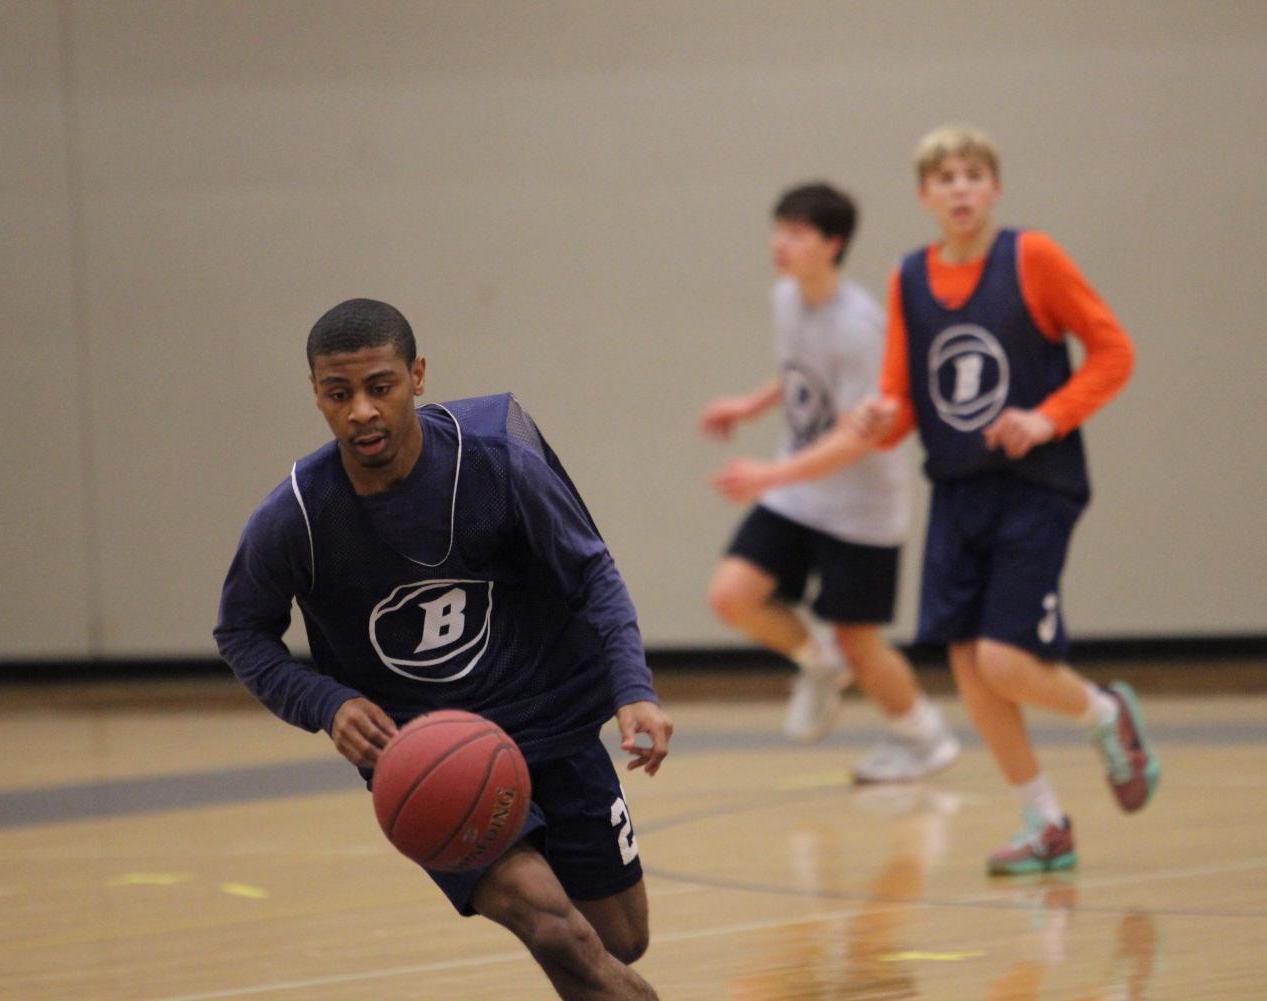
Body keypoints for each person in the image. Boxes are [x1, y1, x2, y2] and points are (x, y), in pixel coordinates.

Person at [713, 126, 1159, 875]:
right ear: (923, 196)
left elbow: (1113, 352)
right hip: (954, 490)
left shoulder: (1032, 258)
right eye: (943, 177)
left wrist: (1047, 416)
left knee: (1003, 660)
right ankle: (1044, 821)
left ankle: (1104, 713)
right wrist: (880, 419)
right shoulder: (909, 278)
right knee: (968, 668)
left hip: (1033, 485)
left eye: (972, 174)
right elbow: (902, 394)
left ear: (994, 189)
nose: (958, 187)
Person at [215, 299, 671, 1000]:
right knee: (558, 931)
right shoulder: (297, 515)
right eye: (338, 394)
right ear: (316, 394)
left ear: (417, 375)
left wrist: (631, 687)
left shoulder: (497, 464)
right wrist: (325, 701)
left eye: (379, 386)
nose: (360, 410)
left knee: (617, 937)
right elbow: (241, 630)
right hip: (430, 756)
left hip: (551, 721)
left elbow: (590, 571)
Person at [701, 182, 958, 783]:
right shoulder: (787, 298)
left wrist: (768, 473)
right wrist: (752, 404)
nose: (780, 244)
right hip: (802, 486)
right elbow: (799, 371)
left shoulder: (862, 327)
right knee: (731, 596)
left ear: (833, 244)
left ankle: (924, 737)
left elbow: (857, 435)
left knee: (861, 643)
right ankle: (818, 664)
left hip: (862, 503)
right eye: (778, 229)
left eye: (797, 234)